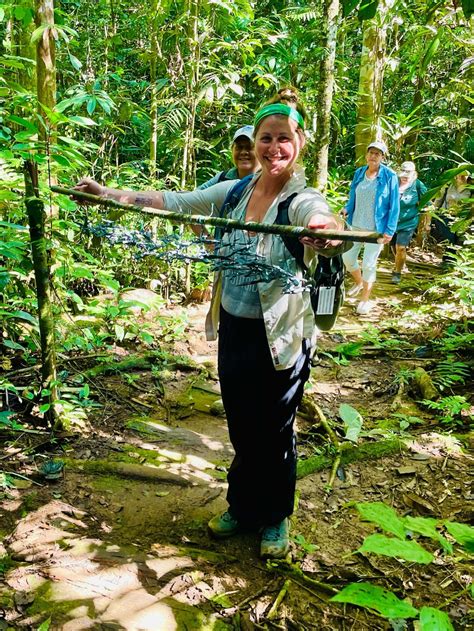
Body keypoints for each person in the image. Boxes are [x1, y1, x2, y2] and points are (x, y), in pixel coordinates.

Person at [73, 87, 344, 559]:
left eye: (283, 138)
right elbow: (175, 201)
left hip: (281, 336)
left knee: (275, 428)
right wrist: (108, 194)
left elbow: (324, 220)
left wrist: (326, 234)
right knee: (241, 422)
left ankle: (275, 516)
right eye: (265, 138)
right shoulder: (237, 191)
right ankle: (242, 506)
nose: (273, 148)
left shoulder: (301, 199)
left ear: (298, 143)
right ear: (254, 143)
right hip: (235, 328)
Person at [342, 140, 400, 315]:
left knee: (368, 264)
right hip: (355, 225)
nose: (373, 156)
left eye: (377, 153)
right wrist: (347, 208)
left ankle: (365, 299)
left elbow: (394, 206)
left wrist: (389, 231)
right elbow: (353, 196)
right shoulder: (359, 173)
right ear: (366, 155)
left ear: (382, 157)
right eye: (371, 152)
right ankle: (359, 282)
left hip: (376, 229)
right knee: (347, 258)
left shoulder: (390, 176)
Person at [391, 161, 427, 284]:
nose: (405, 178)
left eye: (408, 176)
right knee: (394, 247)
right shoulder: (393, 182)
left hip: (408, 223)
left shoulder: (417, 185)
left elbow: (427, 203)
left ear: (414, 174)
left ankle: (397, 272)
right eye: (403, 176)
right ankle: (400, 264)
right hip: (391, 222)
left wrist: (426, 223)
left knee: (400, 247)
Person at [198, 125, 259, 189]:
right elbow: (197, 195)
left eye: (249, 147)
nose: (243, 152)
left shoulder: (267, 181)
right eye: (239, 147)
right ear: (232, 150)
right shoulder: (223, 178)